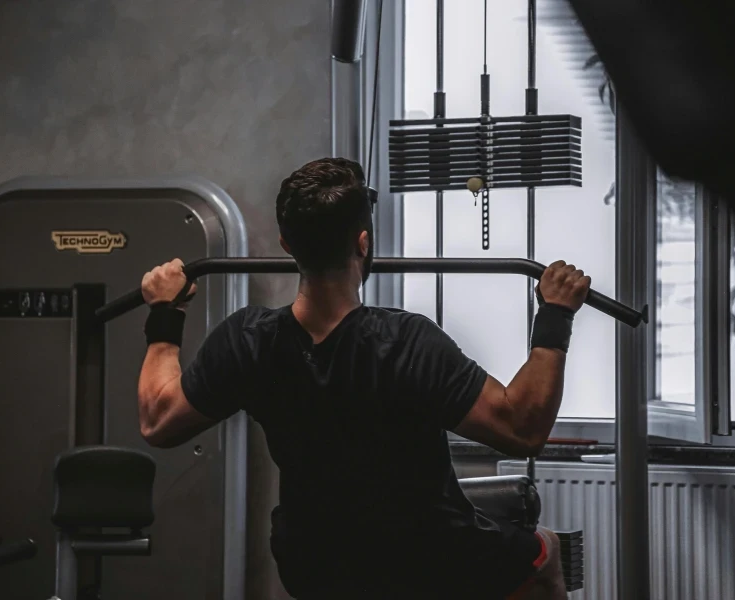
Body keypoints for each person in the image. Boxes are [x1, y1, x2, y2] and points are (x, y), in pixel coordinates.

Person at [136, 157, 590, 599]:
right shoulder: (405, 341)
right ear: (363, 243)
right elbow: (522, 428)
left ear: (287, 244)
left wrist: (164, 312)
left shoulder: (248, 341)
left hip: (314, 566)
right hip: (429, 560)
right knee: (544, 554)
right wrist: (554, 315)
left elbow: (158, 420)